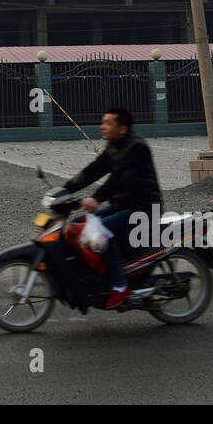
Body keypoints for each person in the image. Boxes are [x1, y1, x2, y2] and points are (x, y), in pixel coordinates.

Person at [60, 107, 162, 309]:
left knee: (101, 232)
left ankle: (119, 286)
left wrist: (96, 198)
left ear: (122, 128)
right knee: (75, 225)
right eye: (103, 122)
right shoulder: (114, 146)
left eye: (108, 123)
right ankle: (93, 276)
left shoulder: (136, 147)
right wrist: (65, 189)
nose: (102, 126)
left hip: (144, 210)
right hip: (122, 206)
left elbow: (121, 178)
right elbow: (94, 170)